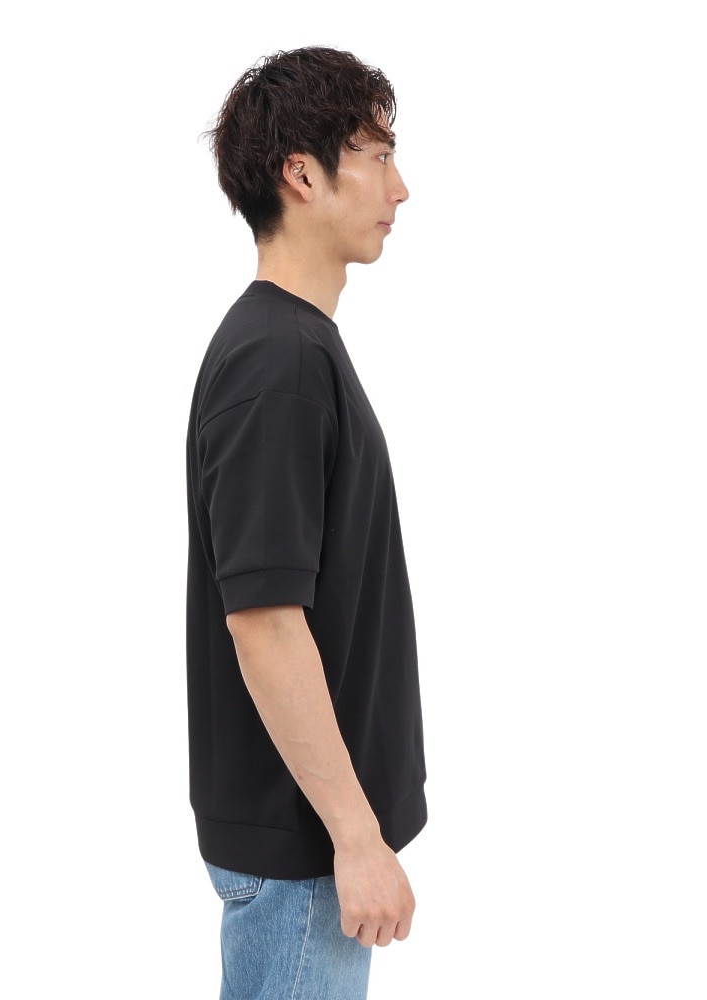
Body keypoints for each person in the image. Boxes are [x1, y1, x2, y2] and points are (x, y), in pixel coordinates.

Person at [185, 46, 427, 1000]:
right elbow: (265, 623)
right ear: (302, 173)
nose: (399, 189)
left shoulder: (294, 349)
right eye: (377, 155)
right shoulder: (277, 364)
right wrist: (356, 838)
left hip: (308, 848)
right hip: (304, 856)